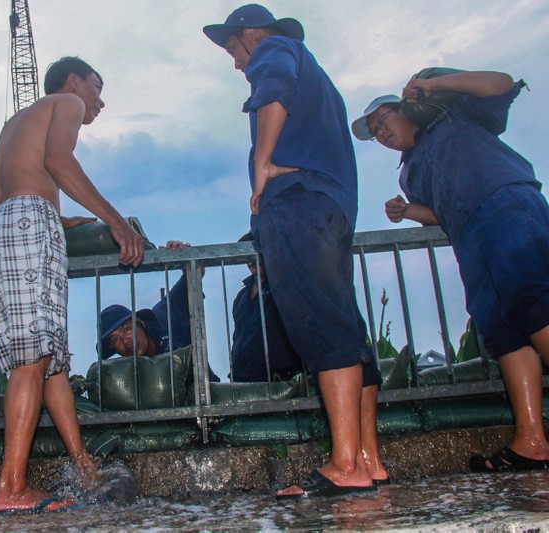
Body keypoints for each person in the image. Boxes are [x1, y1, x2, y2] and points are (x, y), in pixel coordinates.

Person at [203, 4, 387, 498]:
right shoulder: (317, 74)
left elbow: (274, 85)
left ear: (249, 35)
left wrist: (262, 164)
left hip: (298, 204)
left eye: (232, 48)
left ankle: (345, 465)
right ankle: (368, 458)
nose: (236, 63)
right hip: (329, 205)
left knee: (323, 328)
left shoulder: (276, 48)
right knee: (345, 326)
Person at [353, 70, 549, 472]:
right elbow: (439, 213)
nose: (381, 134)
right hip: (468, 234)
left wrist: (439, 84)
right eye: (375, 133)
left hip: (504, 204)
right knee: (501, 329)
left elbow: (501, 83)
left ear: (406, 107)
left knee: (532, 300)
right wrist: (408, 211)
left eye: (383, 121)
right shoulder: (408, 173)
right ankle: (532, 440)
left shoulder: (454, 113)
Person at [0, 56, 145, 515]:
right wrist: (115, 221)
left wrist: (53, 216)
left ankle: (84, 468)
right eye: (97, 85)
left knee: (48, 360)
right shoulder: (65, 101)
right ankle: (12, 488)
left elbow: (18, 182)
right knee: (35, 357)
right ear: (74, 81)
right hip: (29, 220)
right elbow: (57, 159)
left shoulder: (16, 122)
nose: (99, 99)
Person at [98, 240, 220, 387]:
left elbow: (195, 272)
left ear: (140, 322)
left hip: (205, 396)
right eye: (115, 340)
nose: (125, 342)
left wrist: (184, 253)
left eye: (127, 329)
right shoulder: (126, 377)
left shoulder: (166, 312)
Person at [230, 233, 301, 382]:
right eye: (249, 253)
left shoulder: (286, 286)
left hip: (281, 380)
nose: (254, 258)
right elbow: (238, 337)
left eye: (260, 251)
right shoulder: (241, 296)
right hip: (243, 382)